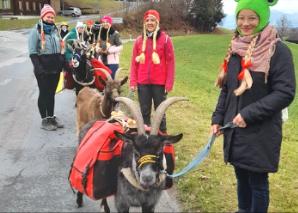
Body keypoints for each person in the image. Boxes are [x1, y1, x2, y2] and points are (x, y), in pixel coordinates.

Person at [211, 0, 296, 212]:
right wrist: (217, 118)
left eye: (252, 18)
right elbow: (227, 89)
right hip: (235, 127)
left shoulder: (278, 51)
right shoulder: (235, 50)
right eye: (241, 17)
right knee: (241, 175)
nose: (245, 23)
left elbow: (285, 93)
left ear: (262, 18)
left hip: (261, 130)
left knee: (257, 182)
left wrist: (248, 114)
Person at [129, 9, 175, 134]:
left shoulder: (165, 40)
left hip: (159, 83)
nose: (150, 23)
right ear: (144, 23)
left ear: (157, 22)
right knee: (144, 112)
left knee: (160, 112)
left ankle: (163, 139)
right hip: (142, 82)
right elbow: (134, 63)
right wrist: (133, 82)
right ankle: (146, 139)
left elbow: (171, 63)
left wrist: (169, 83)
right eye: (147, 20)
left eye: (152, 20)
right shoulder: (139, 40)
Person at [28, 4, 64, 131]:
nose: (50, 19)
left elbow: (60, 49)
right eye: (48, 16)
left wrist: (62, 63)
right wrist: (38, 68)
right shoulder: (35, 31)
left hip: (55, 69)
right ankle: (44, 120)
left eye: (52, 17)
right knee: (44, 93)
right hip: (43, 70)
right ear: (42, 16)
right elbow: (32, 52)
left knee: (51, 94)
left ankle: (51, 117)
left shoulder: (55, 30)